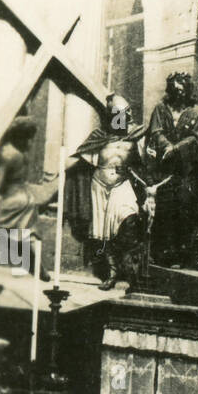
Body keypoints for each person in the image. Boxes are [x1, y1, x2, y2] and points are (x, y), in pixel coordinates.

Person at [70, 94, 147, 290]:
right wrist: (60, 168)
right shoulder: (99, 137)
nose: (121, 117)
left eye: (123, 112)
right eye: (116, 114)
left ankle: (132, 274)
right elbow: (79, 159)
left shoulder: (138, 135)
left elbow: (144, 164)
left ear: (129, 113)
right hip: (100, 186)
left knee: (129, 221)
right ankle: (112, 275)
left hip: (122, 186)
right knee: (104, 233)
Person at [0, 117, 56, 279]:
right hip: (24, 199)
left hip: (10, 200)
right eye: (28, 138)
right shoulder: (20, 154)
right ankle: (30, 263)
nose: (29, 143)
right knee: (17, 236)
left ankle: (28, 263)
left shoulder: (8, 154)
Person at [144, 72, 198, 265]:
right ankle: (161, 254)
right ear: (170, 90)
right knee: (163, 210)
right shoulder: (161, 109)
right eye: (175, 90)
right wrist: (165, 146)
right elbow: (156, 131)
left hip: (185, 169)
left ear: (188, 90)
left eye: (182, 90)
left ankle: (181, 254)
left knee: (183, 209)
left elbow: (197, 137)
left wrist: (176, 148)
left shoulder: (197, 112)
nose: (179, 94)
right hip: (163, 168)